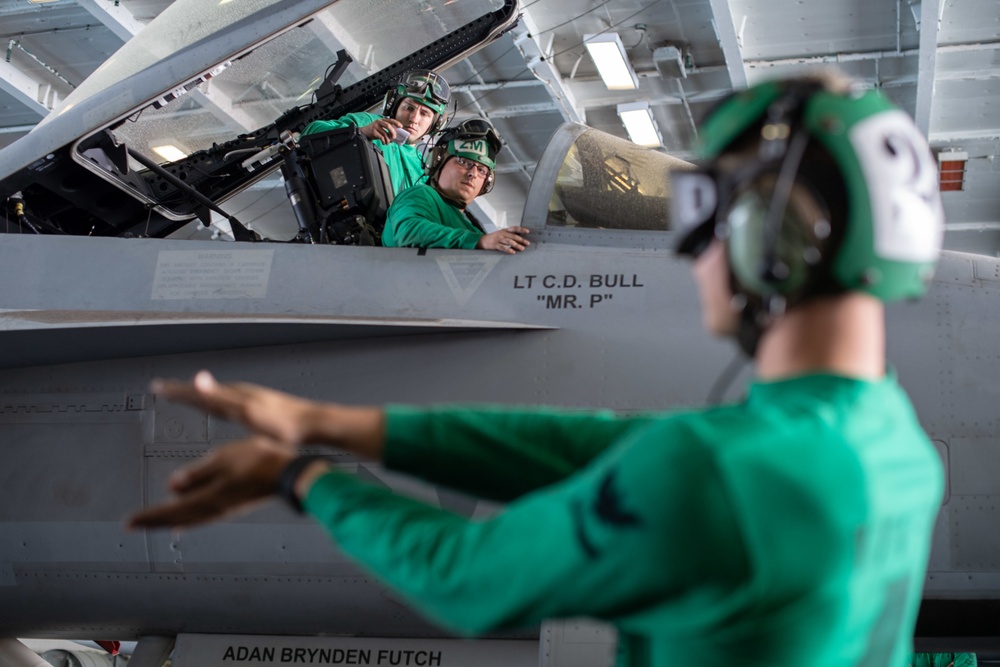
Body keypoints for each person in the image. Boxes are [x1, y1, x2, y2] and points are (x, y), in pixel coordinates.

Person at [128, 72, 946, 667]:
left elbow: (466, 579)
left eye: (705, 215)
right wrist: (337, 424)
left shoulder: (710, 476)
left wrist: (300, 476)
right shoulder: (889, 439)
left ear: (773, 241)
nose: (693, 253)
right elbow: (608, 452)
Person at [381, 117, 530, 253]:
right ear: (437, 162)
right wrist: (479, 241)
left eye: (481, 170)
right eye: (464, 162)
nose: (473, 173)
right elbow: (409, 232)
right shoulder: (420, 195)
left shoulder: (472, 229)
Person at [301, 69, 450, 195]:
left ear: (435, 125)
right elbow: (309, 134)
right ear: (393, 105)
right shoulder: (368, 122)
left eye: (424, 114)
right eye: (408, 108)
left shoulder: (423, 170)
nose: (414, 119)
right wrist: (361, 133)